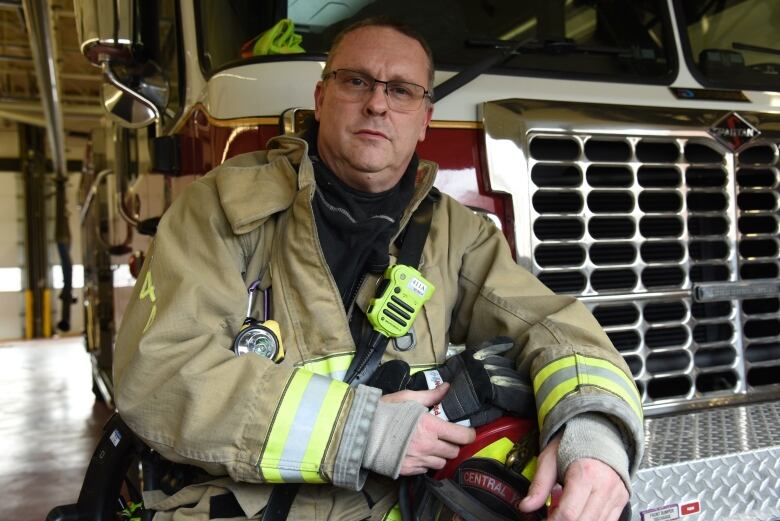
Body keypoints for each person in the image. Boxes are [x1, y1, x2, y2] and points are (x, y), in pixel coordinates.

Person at [114, 17, 644, 521]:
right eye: (356, 81)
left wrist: (593, 436)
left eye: (401, 90)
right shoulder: (222, 209)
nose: (376, 104)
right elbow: (159, 373)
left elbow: (550, 326)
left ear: (424, 119)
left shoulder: (457, 234)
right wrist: (362, 430)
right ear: (321, 98)